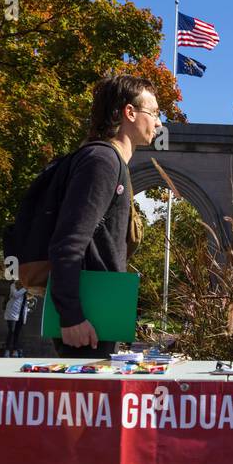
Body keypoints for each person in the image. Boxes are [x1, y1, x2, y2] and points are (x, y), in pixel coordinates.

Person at [51, 75, 161, 358]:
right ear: (130, 112)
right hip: (86, 324)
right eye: (155, 113)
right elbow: (69, 242)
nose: (159, 123)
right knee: (82, 403)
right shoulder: (102, 161)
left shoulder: (110, 162)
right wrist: (71, 315)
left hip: (100, 316)